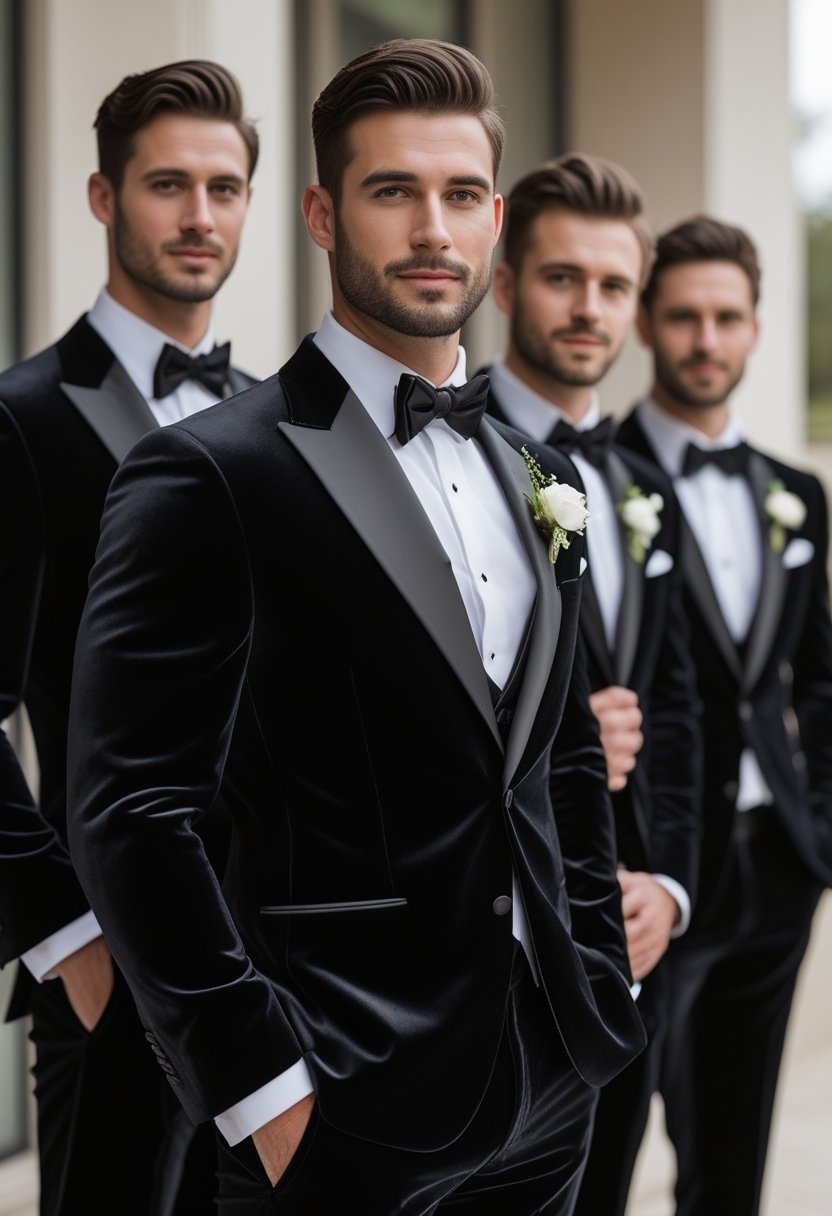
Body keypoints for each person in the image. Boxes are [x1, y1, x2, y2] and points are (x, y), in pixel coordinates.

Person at [65, 39, 646, 1216]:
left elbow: (559, 754)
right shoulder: (207, 474)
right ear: (325, 214)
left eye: (460, 195)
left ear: (493, 219)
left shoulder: (536, 466)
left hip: (546, 1085)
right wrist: (258, 1086)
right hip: (338, 1105)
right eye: (393, 192)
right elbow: (131, 810)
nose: (433, 228)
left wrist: (592, 982)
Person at [0, 59, 257, 1216]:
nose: (200, 217)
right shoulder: (22, 418)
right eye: (168, 184)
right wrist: (68, 939)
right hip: (119, 982)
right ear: (103, 198)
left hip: (280, 976)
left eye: (224, 186)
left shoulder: (282, 422)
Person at [483, 152, 701, 1216]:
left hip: (628, 941)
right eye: (562, 277)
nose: (589, 309)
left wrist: (668, 885)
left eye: (613, 286)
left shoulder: (640, 483)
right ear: (505, 280)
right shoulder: (451, 451)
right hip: (493, 950)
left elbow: (679, 707)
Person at [617, 215, 832, 1216]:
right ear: (648, 327)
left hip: (777, 867)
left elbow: (816, 678)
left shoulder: (796, 494)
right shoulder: (590, 474)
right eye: (684, 317)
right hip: (650, 869)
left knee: (731, 1162)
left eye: (725, 318)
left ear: (753, 329)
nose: (705, 340)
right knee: (600, 1151)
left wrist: (818, 829)